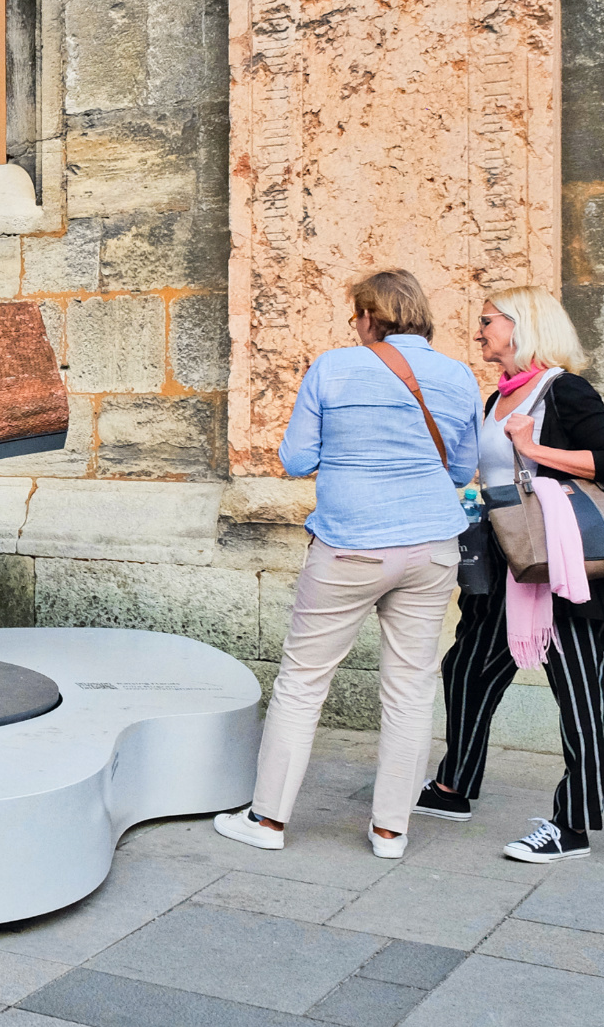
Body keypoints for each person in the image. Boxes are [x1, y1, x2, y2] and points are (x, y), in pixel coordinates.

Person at [215, 270, 480, 859]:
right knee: (412, 687)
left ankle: (267, 820)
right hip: (433, 545)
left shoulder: (333, 368)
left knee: (304, 682)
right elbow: (461, 472)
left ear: (369, 315)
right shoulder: (459, 376)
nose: (353, 326)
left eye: (355, 316)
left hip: (351, 543)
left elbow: (295, 458)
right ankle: (391, 830)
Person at [414, 285, 604, 863]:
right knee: (466, 668)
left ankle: (574, 824)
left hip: (564, 568)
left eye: (488, 320)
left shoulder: (564, 391)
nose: (479, 329)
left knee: (581, 693)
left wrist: (536, 449)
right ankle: (454, 786)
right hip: (504, 564)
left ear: (521, 325)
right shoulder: (496, 400)